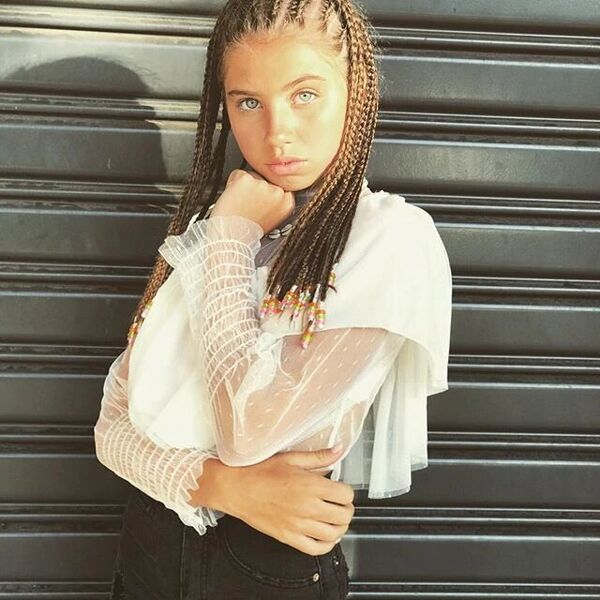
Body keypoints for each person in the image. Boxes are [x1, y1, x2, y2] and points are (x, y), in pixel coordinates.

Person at [92, 0, 453, 598]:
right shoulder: (226, 225)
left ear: (354, 92)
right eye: (248, 102)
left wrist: (230, 236)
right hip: (148, 551)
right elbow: (110, 427)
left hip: (259, 569)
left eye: (304, 95)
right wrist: (220, 486)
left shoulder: (389, 237)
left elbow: (246, 430)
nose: (277, 131)